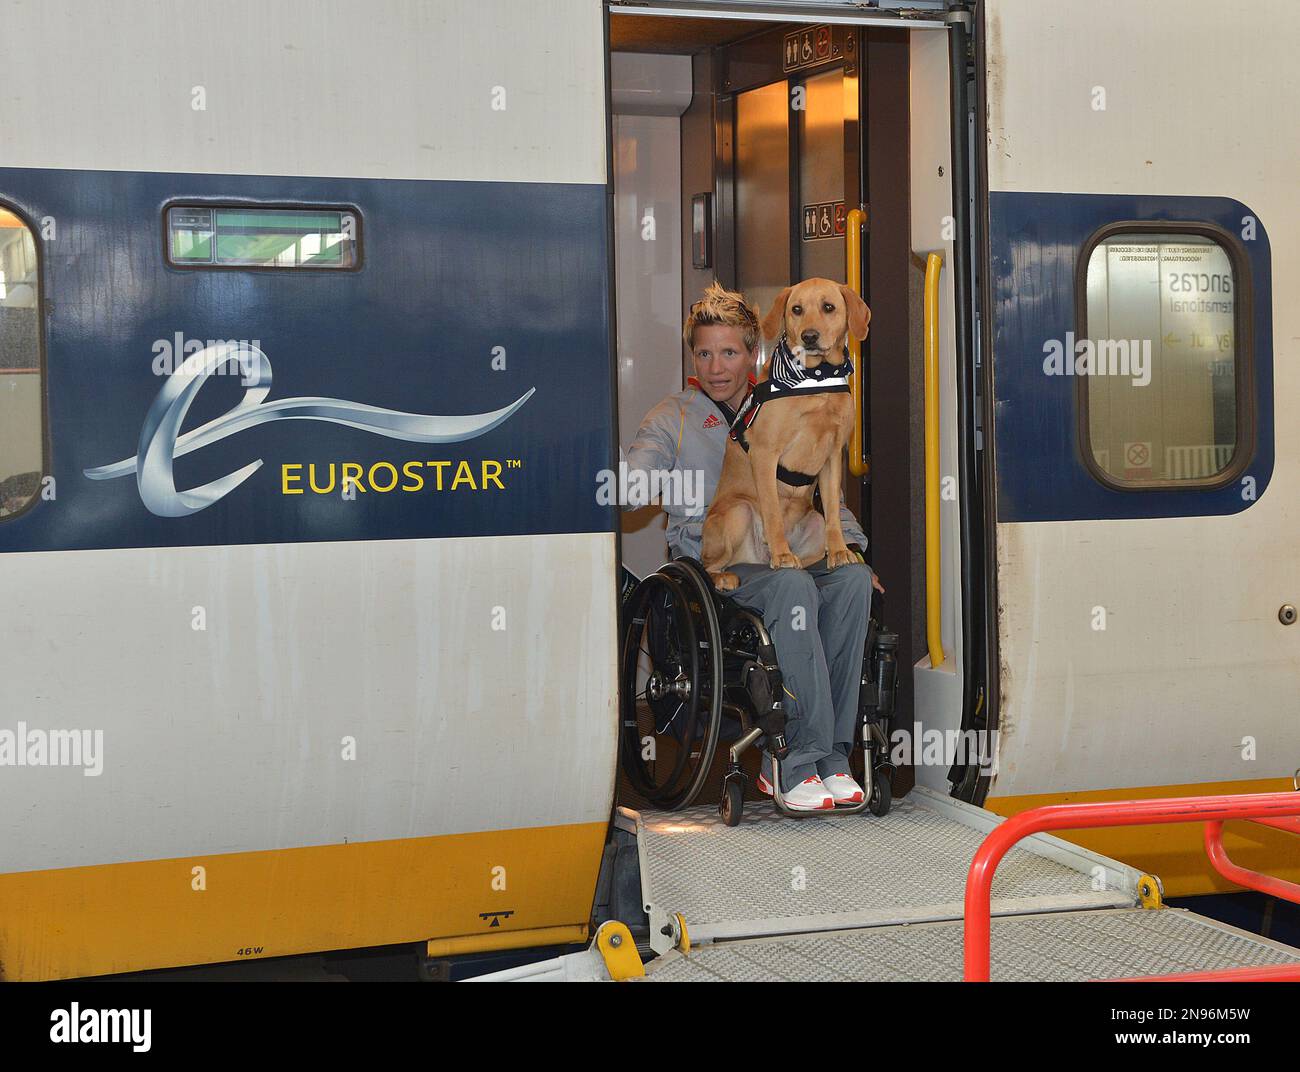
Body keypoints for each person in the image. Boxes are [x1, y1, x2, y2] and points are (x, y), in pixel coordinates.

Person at [623, 282, 883, 812]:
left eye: (730, 352)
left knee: (852, 583)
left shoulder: (788, 398)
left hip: (789, 545)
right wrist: (635, 480)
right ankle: (795, 758)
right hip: (719, 564)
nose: (716, 366)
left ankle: (833, 754)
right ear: (692, 356)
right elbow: (636, 476)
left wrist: (851, 545)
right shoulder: (673, 416)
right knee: (791, 586)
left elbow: (809, 484)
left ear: (753, 353)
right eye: (704, 353)